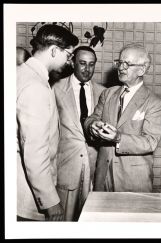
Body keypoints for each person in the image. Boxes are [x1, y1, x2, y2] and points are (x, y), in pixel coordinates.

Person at [84, 43, 161, 192]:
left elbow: (150, 142)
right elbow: (92, 118)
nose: (121, 68)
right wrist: (92, 126)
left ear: (142, 69)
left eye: (127, 64)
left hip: (134, 180)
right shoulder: (108, 94)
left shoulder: (154, 102)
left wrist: (118, 138)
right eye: (119, 62)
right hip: (103, 175)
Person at [17, 24, 79, 221]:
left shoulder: (19, 74)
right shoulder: (37, 87)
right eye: (68, 55)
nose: (69, 62)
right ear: (54, 51)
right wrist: (51, 203)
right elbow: (35, 153)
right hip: (26, 197)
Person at [53, 46, 105, 221]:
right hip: (65, 168)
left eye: (91, 64)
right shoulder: (55, 88)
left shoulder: (104, 92)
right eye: (82, 63)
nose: (87, 69)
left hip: (94, 168)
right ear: (72, 62)